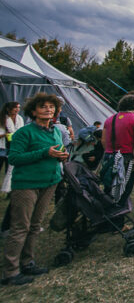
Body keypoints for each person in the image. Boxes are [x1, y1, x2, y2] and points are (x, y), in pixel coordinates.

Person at [1, 93, 68, 286]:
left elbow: (58, 149)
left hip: (50, 182)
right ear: (34, 111)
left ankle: (27, 262)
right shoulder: (25, 132)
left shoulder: (54, 131)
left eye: (51, 106)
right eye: (43, 106)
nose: (48, 109)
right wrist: (44, 152)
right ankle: (11, 271)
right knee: (20, 226)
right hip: (27, 184)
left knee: (35, 225)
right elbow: (14, 158)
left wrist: (62, 155)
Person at [100, 94, 134, 208]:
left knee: (109, 187)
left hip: (110, 156)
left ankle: (107, 212)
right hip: (126, 157)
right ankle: (118, 219)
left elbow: (104, 140)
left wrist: (110, 151)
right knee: (124, 190)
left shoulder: (110, 119)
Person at [1, 101, 23, 179]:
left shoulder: (19, 118)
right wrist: (5, 135)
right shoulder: (2, 119)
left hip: (13, 147)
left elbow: (22, 131)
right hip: (2, 147)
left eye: (19, 107)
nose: (17, 109)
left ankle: (8, 187)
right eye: (15, 107)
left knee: (10, 169)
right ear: (8, 109)